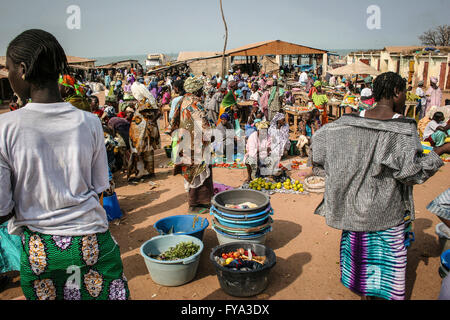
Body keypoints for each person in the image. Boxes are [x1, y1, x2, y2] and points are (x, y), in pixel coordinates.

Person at [0, 29, 130, 300]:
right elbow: (98, 187)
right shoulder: (90, 122)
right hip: (93, 241)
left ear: (22, 69)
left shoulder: (5, 127)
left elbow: (3, 208)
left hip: (41, 254)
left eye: (9, 69)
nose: (9, 77)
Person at [311, 71, 449, 300]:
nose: (405, 97)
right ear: (396, 92)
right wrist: (440, 152)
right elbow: (411, 174)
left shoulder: (346, 123)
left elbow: (319, 149)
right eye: (404, 91)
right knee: (384, 278)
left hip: (354, 213)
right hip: (386, 216)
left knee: (363, 270)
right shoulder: (403, 130)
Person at [169, 77, 213, 214]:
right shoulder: (196, 103)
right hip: (196, 144)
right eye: (201, 89)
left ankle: (197, 202)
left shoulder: (182, 101)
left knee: (191, 171)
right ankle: (196, 204)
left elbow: (173, 123)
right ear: (197, 90)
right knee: (198, 171)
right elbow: (204, 125)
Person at [128, 98, 161, 181]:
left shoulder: (144, 103)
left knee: (139, 152)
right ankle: (148, 172)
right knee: (147, 151)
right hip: (143, 131)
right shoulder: (147, 102)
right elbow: (157, 112)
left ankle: (140, 174)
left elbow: (157, 112)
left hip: (141, 132)